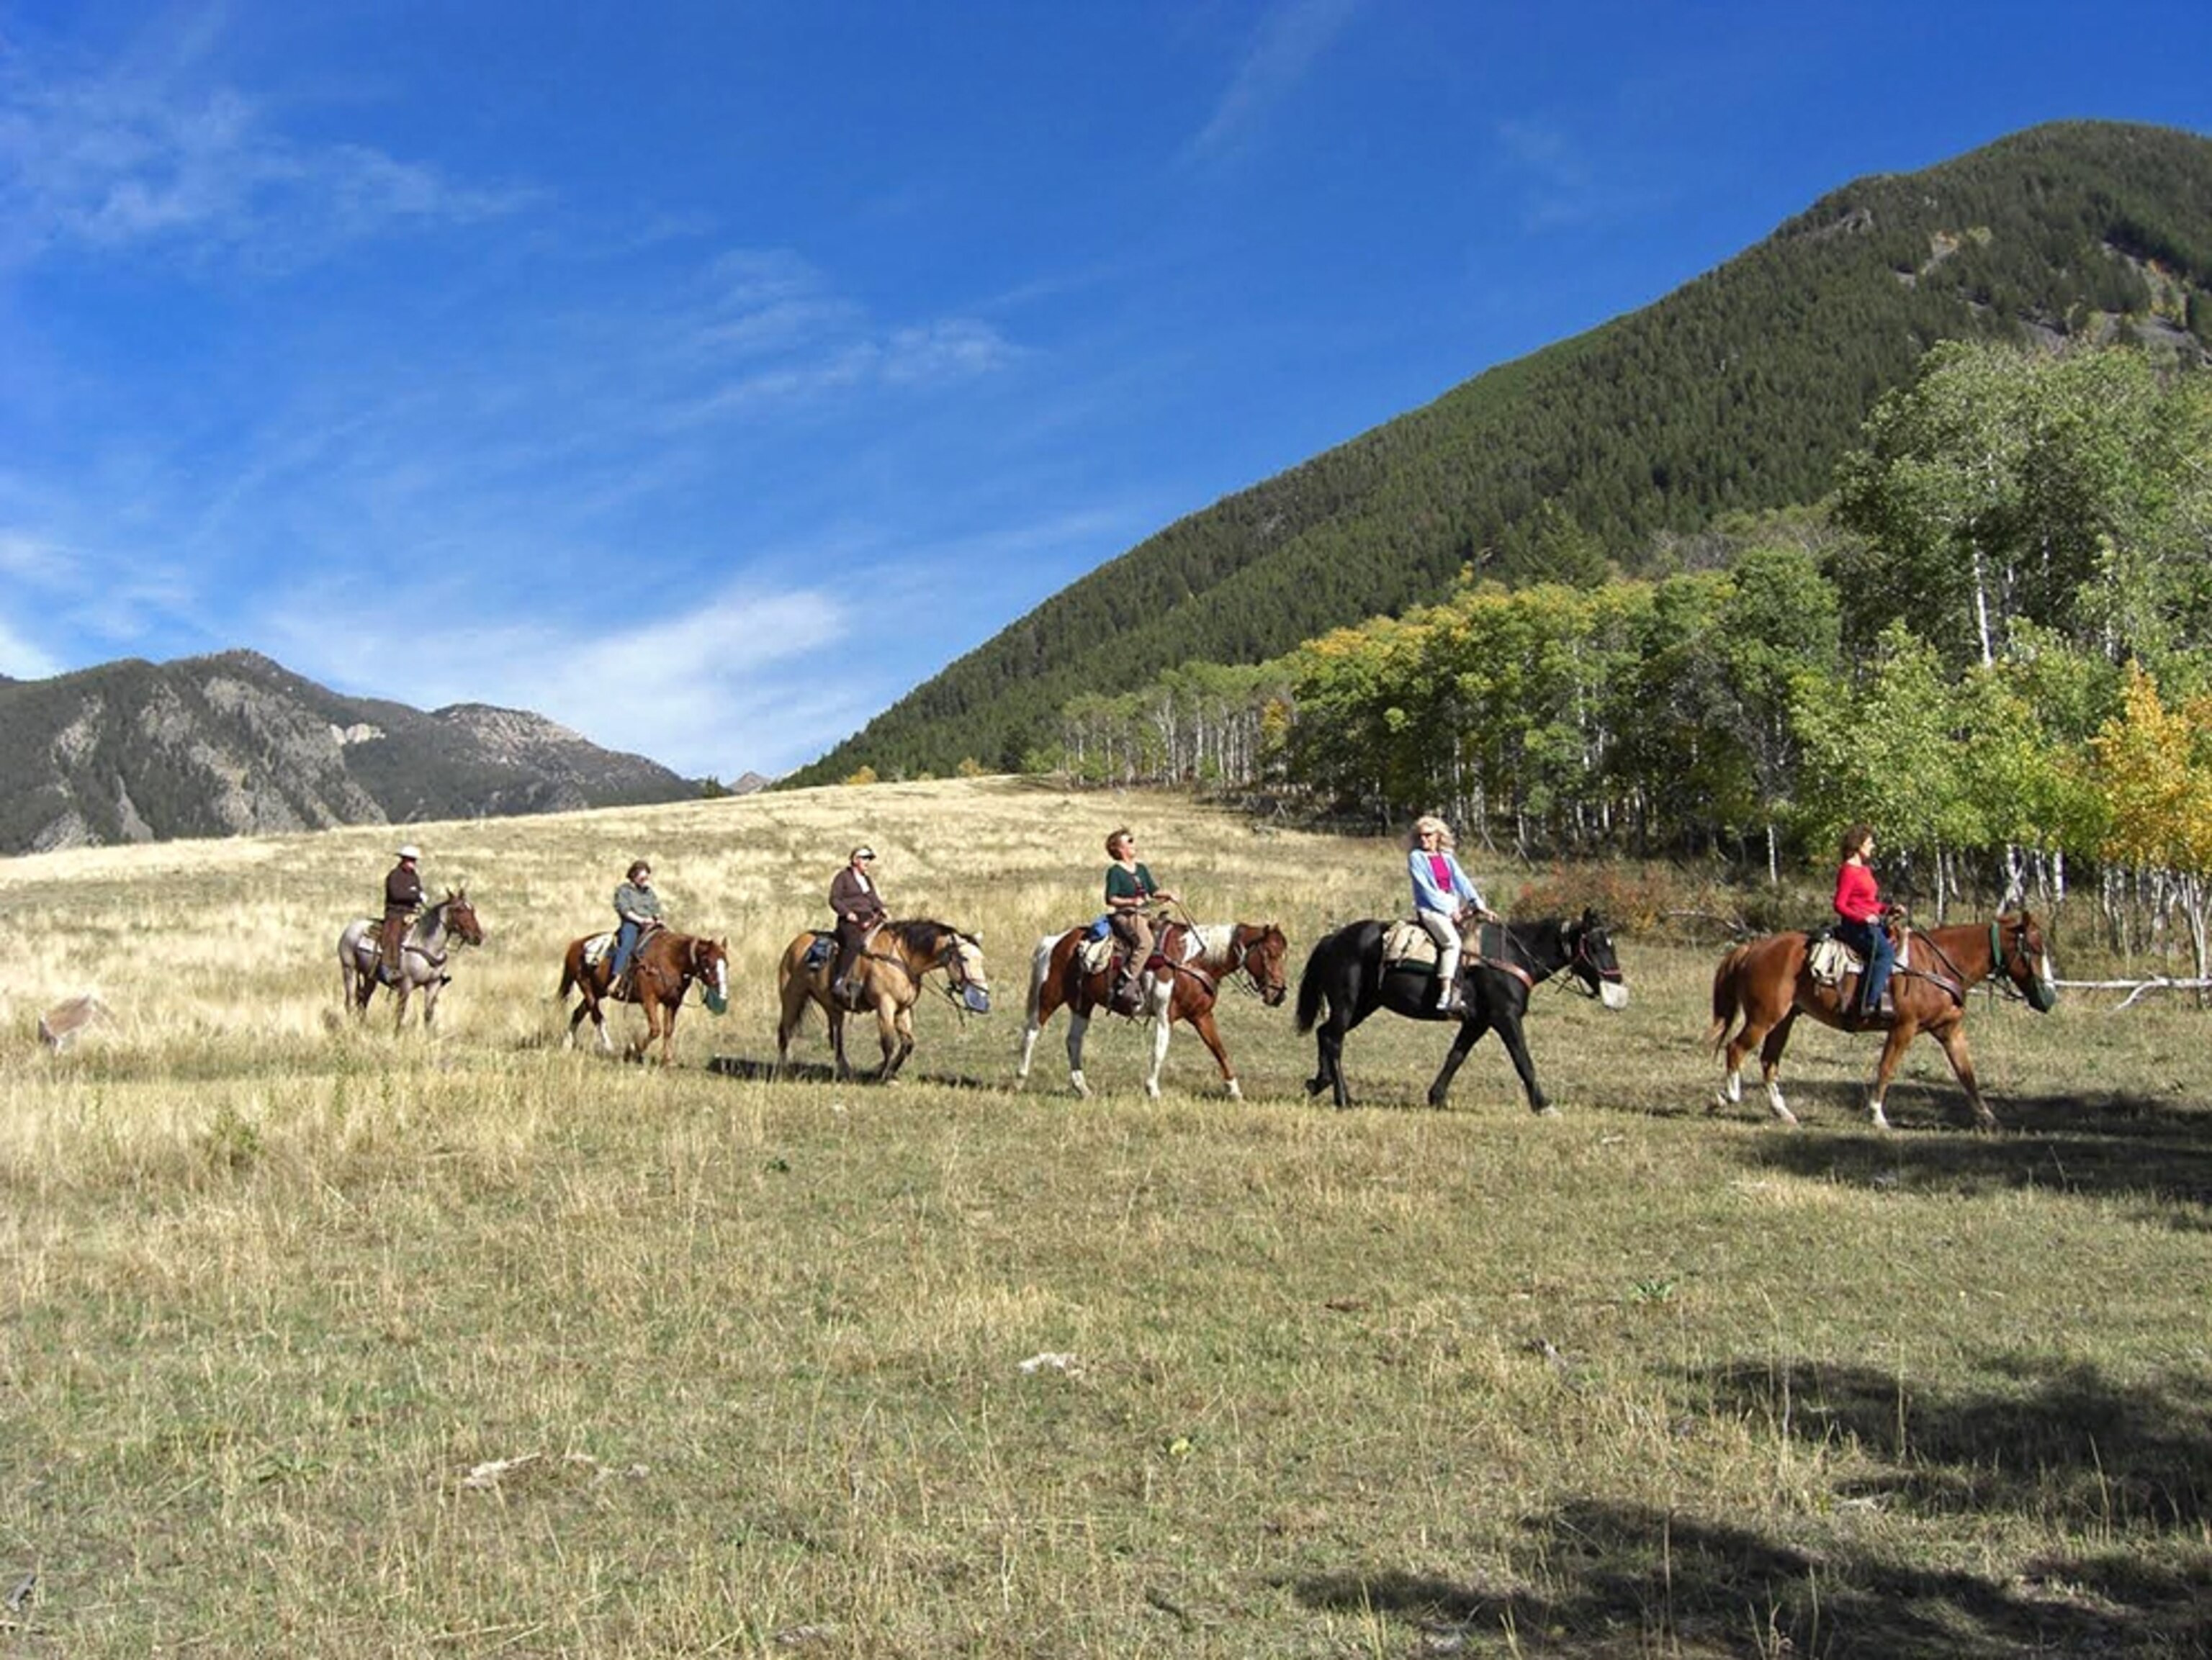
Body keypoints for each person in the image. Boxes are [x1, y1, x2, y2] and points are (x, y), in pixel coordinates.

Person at [1408, 815, 1497, 1014]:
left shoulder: (1446, 858)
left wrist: (1478, 905)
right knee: (1453, 943)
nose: (1424, 839)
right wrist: (1451, 910)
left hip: (1452, 909)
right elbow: (1426, 890)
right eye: (1421, 836)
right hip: (1431, 910)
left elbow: (1462, 881)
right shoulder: (1416, 858)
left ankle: (1468, 990)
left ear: (1438, 836)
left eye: (1428, 835)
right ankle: (1445, 995)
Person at [1103, 828, 1179, 1014]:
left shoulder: (1142, 868)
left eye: (1132, 840)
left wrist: (1168, 894)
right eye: (1129, 841)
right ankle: (1126, 980)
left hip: (1144, 914)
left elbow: (1153, 891)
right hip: (1127, 915)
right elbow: (1110, 898)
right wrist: (1131, 901)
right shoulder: (1115, 872)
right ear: (1119, 848)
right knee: (1146, 942)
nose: (1133, 844)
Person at [1833, 824, 1896, 1016]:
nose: (1873, 846)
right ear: (1858, 845)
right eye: (1869, 843)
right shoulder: (1848, 871)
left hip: (1870, 923)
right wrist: (1863, 918)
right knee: (1885, 953)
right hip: (1855, 927)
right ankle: (1869, 1002)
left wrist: (1888, 909)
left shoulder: (1865, 870)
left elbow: (1869, 903)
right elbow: (1840, 904)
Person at [829, 846, 888, 1006]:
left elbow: (874, 899)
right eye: (865, 858)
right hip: (850, 921)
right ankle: (840, 980)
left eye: (869, 859)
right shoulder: (842, 877)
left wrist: (881, 908)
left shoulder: (867, 879)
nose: (868, 862)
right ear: (855, 860)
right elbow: (834, 899)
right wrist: (847, 913)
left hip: (870, 917)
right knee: (854, 942)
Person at [610, 860, 663, 993]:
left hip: (650, 924)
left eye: (647, 877)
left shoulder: (648, 892)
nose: (645, 880)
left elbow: (655, 907)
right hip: (632, 924)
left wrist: (657, 918)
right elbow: (624, 910)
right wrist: (641, 920)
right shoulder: (623, 891)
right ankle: (617, 978)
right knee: (627, 944)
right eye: (643, 877)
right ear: (634, 876)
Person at [378, 844, 426, 985]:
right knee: (393, 936)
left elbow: (417, 890)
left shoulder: (414, 877)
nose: (413, 863)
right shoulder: (394, 876)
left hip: (412, 913)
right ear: (403, 860)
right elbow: (397, 894)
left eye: (414, 860)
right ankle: (387, 967)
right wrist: (416, 895)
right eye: (410, 860)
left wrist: (417, 895)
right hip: (395, 913)